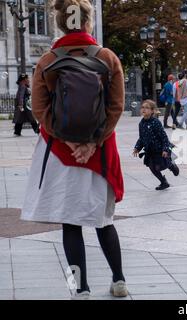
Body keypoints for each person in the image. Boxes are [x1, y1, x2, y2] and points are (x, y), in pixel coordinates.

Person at [21, 0, 127, 299]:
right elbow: (115, 107)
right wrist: (92, 142)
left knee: (70, 223)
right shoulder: (107, 57)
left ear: (59, 23)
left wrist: (69, 142)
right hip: (100, 151)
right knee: (103, 222)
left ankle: (80, 288)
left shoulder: (47, 60)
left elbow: (40, 110)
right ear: (88, 22)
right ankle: (118, 280)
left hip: (59, 153)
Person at [133, 100, 179, 189]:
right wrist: (137, 148)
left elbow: (164, 137)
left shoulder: (155, 122)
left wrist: (165, 149)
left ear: (152, 111)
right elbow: (141, 138)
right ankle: (163, 182)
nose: (144, 109)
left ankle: (171, 165)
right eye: (142, 107)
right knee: (152, 168)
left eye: (147, 108)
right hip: (150, 151)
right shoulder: (141, 123)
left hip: (159, 149)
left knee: (159, 167)